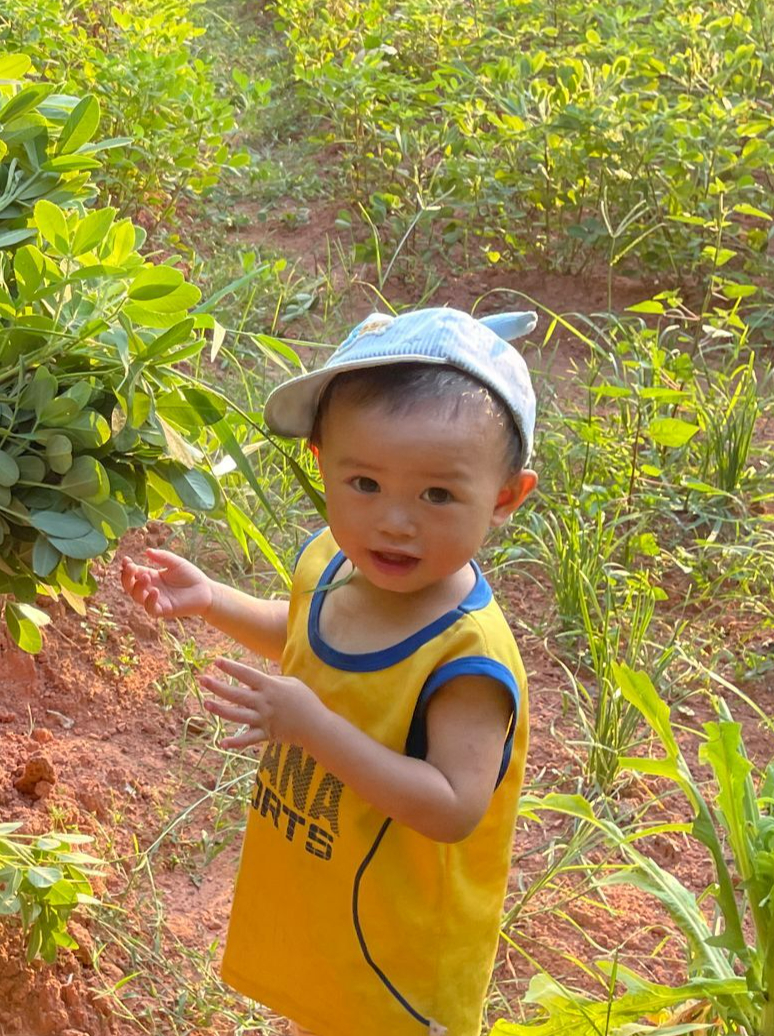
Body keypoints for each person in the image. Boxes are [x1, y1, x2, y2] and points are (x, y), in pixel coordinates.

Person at [121, 307, 541, 1036]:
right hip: (333, 903)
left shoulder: (466, 660)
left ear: (505, 497)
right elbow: (316, 644)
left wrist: (312, 727)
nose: (395, 522)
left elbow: (451, 806)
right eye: (365, 483)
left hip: (403, 954)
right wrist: (212, 600)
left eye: (437, 494)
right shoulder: (333, 562)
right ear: (320, 461)